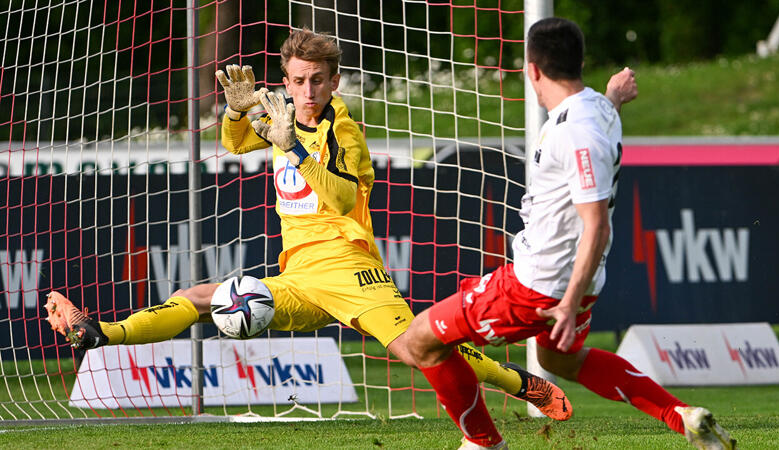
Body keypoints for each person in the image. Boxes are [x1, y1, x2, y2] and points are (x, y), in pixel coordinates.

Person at [44, 28, 572, 418]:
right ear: (287, 80)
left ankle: (520, 382)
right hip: (297, 276)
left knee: (419, 348)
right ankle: (98, 333)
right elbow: (233, 142)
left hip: (353, 273)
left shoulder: (343, 130)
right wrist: (234, 112)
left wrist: (292, 147)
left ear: (334, 80)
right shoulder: (281, 117)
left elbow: (342, 199)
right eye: (298, 80)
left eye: (318, 80)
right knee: (200, 296)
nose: (308, 91)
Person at [402, 17, 736, 450]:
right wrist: (616, 95)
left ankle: (484, 443)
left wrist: (567, 303)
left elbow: (597, 223)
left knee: (421, 341)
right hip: (572, 282)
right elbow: (602, 119)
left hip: (540, 285)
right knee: (558, 359)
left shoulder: (575, 134)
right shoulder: (596, 106)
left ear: (533, 70)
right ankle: (682, 416)